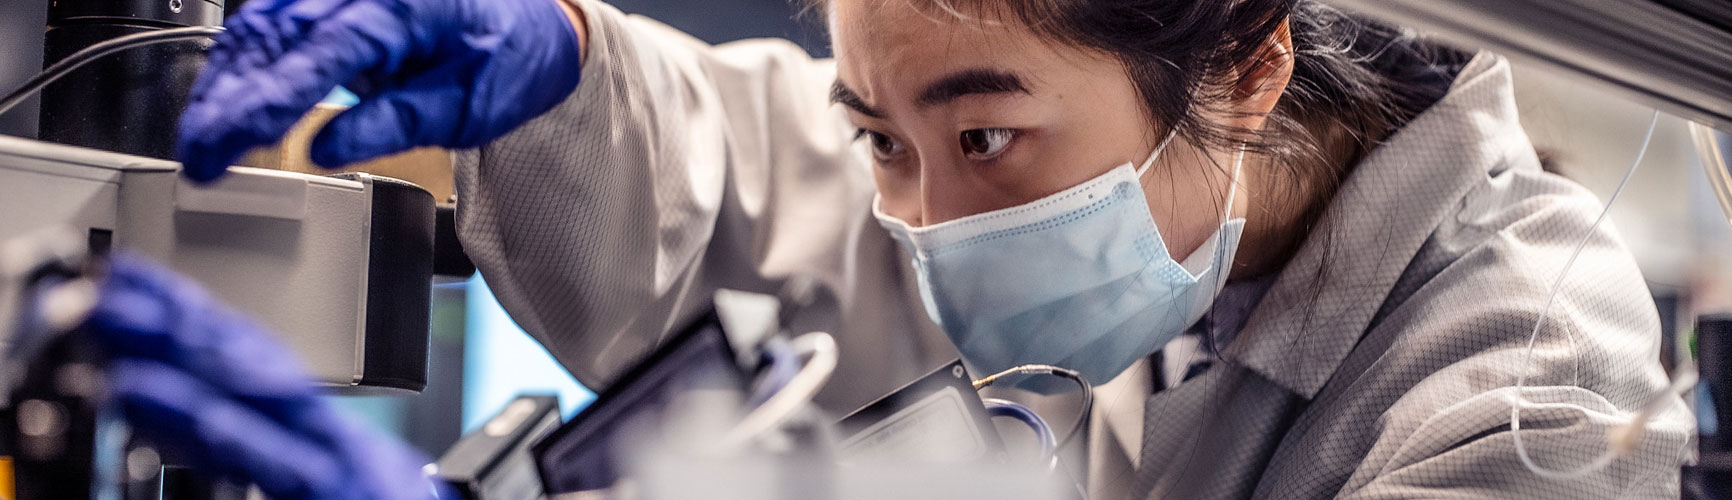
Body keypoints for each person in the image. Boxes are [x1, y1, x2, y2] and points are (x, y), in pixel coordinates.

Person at [83, 0, 1695, 498]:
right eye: (882, 140)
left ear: (1248, 72)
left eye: (982, 140)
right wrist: (572, 64)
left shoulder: (1528, 399)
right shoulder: (1111, 191)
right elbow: (756, 163)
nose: (916, 224)